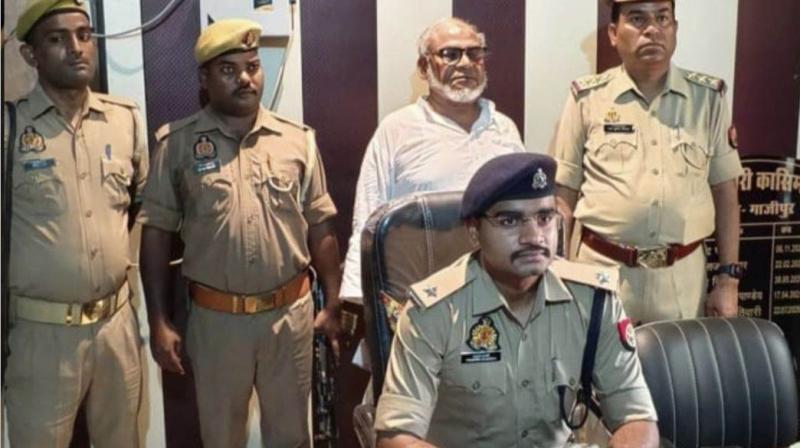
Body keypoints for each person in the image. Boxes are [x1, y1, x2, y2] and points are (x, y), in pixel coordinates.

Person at [137, 19, 341, 448]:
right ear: (204, 78)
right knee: (221, 438)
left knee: (292, 437)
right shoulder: (176, 145)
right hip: (217, 323)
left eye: (252, 66)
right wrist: (158, 321)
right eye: (228, 70)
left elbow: (320, 223)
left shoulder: (298, 142)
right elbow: (155, 235)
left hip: (289, 317)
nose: (246, 78)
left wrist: (334, 299)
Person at [374, 153, 659, 448]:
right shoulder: (433, 312)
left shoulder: (594, 300)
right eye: (509, 221)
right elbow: (396, 439)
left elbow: (637, 419)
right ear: (474, 231)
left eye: (545, 218)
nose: (534, 236)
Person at [3, 1, 149, 446]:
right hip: (42, 337)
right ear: (30, 54)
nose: (76, 47)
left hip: (116, 326)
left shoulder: (124, 120)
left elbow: (139, 207)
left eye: (84, 35)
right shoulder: (10, 128)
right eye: (57, 38)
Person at [550, 0, 744, 323]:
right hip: (601, 272)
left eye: (662, 18)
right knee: (596, 357)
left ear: (675, 29)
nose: (652, 29)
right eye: (638, 19)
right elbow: (563, 196)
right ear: (614, 33)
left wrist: (728, 280)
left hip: (682, 280)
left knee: (679, 357)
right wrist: (555, 275)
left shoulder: (707, 100)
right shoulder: (586, 99)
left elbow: (726, 193)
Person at [340, 17, 525, 304]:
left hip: (496, 293)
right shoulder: (397, 130)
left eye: (474, 53)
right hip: (419, 296)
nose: (465, 64)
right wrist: (360, 299)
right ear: (423, 67)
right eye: (450, 54)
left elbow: (524, 212)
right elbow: (368, 217)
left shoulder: (504, 128)